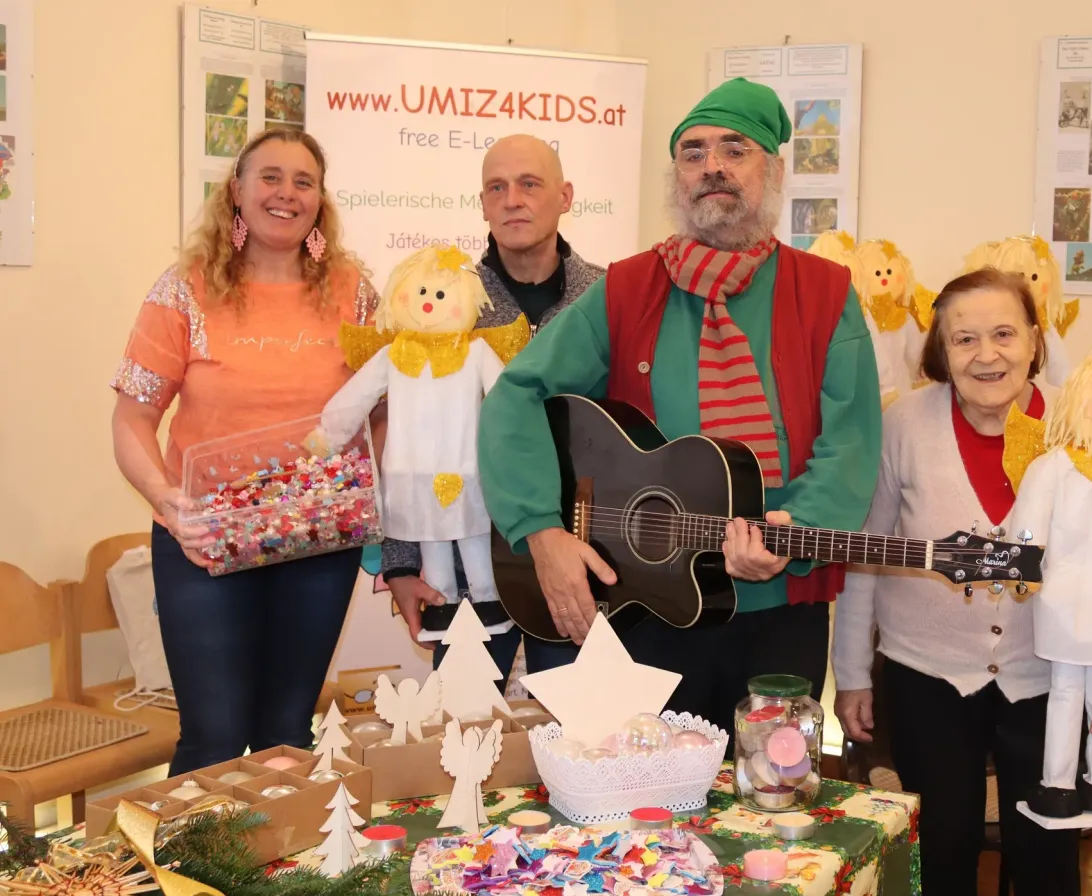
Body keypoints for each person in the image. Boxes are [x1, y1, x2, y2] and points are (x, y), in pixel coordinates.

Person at [476, 78, 882, 734]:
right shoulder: (628, 286)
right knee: (653, 807)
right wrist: (540, 532)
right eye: (692, 153)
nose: (711, 167)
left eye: (733, 149)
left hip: (782, 610)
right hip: (649, 607)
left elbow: (853, 444)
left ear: (774, 169)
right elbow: (516, 395)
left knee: (771, 801)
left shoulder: (827, 292)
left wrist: (791, 530)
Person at [830, 268, 1092, 896]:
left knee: (1046, 852)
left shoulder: (1089, 423)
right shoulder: (901, 424)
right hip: (925, 674)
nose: (987, 355)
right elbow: (863, 557)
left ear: (1035, 340)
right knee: (941, 853)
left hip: (1051, 679)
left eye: (1005, 333)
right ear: (940, 351)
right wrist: (852, 673)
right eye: (965, 338)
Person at [110, 128, 375, 774]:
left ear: (320, 200)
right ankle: (193, 876)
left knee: (287, 734)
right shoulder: (185, 290)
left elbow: (382, 409)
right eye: (270, 176)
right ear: (237, 189)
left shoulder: (353, 292)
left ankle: (283, 873)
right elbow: (133, 417)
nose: (286, 193)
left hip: (318, 539)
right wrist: (166, 499)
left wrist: (381, 501)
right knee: (214, 736)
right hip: (202, 538)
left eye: (303, 181)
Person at [380, 135, 603, 682]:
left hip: (579, 553)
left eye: (530, 184)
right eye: (497, 187)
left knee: (573, 730)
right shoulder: (441, 302)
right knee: (462, 737)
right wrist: (402, 564)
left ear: (565, 195)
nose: (512, 200)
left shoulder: (604, 296)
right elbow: (409, 434)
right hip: (463, 561)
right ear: (482, 203)